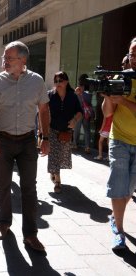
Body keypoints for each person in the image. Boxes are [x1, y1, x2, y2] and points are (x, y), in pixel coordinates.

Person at [0, 41, 50, 251]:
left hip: (28, 142)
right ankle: (4, 223)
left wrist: (45, 137)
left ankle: (31, 235)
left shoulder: (37, 81)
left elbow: (44, 110)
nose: (4, 61)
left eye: (9, 58)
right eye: (4, 57)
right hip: (2, 140)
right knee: (3, 186)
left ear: (23, 60)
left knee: (29, 189)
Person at [102, 40, 136, 250]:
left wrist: (122, 101)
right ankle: (119, 231)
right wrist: (108, 97)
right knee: (118, 185)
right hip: (120, 139)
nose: (135, 57)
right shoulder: (120, 77)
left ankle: (115, 216)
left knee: (128, 191)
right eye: (132, 52)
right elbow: (107, 113)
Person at [47, 71, 83, 193]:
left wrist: (75, 120)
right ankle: (57, 181)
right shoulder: (50, 95)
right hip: (52, 130)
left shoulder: (72, 96)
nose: (58, 83)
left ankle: (53, 171)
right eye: (56, 81)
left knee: (62, 156)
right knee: (54, 155)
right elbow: (43, 112)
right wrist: (42, 133)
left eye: (60, 80)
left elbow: (79, 111)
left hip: (66, 131)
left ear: (66, 82)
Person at [72, 74, 93, 153]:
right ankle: (87, 147)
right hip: (87, 112)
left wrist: (77, 93)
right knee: (87, 129)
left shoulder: (78, 89)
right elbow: (89, 101)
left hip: (79, 112)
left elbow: (74, 99)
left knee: (77, 129)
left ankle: (75, 144)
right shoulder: (89, 90)